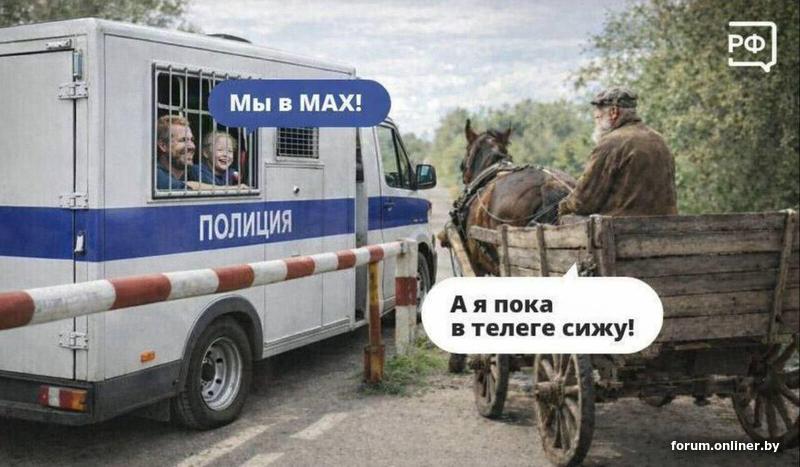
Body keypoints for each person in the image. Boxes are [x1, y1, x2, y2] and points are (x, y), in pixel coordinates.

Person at [558, 87, 678, 217]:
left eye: (598, 111)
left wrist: (564, 206)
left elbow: (584, 202)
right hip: (668, 225)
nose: (595, 115)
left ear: (614, 112)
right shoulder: (659, 140)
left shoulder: (611, 143)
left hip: (620, 227)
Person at [155, 114, 197, 190]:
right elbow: (183, 190)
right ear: (163, 145)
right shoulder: (155, 175)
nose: (192, 146)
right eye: (183, 140)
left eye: (192, 140)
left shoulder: (191, 173)